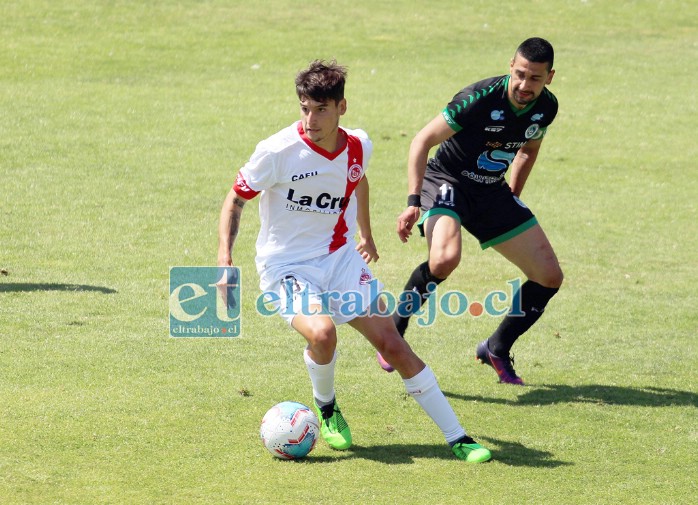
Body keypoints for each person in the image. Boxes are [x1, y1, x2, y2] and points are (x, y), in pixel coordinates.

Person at [217, 60, 491, 462]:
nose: (311, 119)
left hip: (340, 258)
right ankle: (326, 408)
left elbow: (357, 178)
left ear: (341, 107)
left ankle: (458, 437)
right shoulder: (276, 152)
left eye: (321, 109)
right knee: (323, 333)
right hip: (287, 267)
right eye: (304, 108)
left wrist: (365, 233)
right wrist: (225, 261)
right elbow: (236, 199)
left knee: (392, 343)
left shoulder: (359, 144)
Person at [385, 38, 564, 386]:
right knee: (445, 260)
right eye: (520, 74)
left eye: (535, 79)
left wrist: (511, 197)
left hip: (490, 191)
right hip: (446, 180)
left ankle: (496, 347)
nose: (525, 85)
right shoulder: (479, 97)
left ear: (550, 77)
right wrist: (412, 201)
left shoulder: (547, 108)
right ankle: (395, 329)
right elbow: (421, 140)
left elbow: (528, 149)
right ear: (511, 64)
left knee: (549, 276)